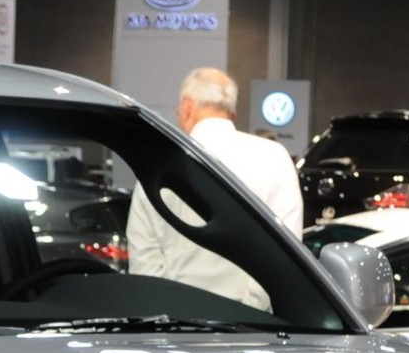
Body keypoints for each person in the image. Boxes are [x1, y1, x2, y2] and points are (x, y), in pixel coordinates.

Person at [126, 67, 305, 310]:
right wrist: (251, 310)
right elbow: (286, 254)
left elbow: (144, 256)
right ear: (233, 113)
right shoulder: (275, 157)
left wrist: (170, 313)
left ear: (188, 105)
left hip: (173, 324)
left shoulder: (159, 163)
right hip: (254, 327)